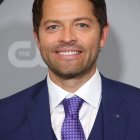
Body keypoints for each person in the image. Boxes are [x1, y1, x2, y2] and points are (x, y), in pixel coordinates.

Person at [0, 0, 140, 139]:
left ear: (102, 35)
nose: (67, 38)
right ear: (37, 39)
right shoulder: (4, 117)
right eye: (53, 27)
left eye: (81, 25)